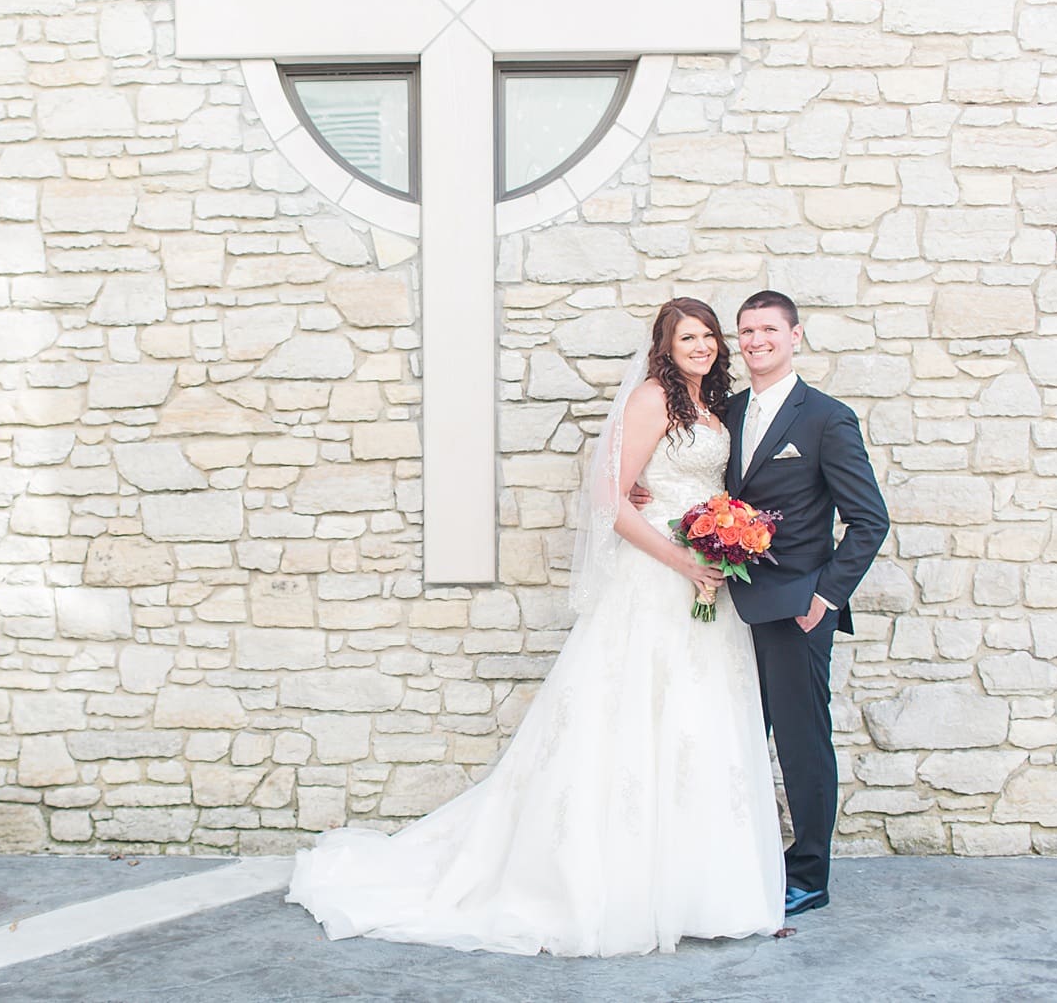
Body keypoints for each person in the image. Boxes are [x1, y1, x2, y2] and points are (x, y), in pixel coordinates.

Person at [286, 299, 785, 957]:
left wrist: (716, 548)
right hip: (658, 577)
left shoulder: (714, 410)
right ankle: (612, 883)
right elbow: (609, 500)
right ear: (665, 348)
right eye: (687, 337)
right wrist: (683, 560)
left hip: (703, 586)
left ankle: (696, 886)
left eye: (709, 336)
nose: (702, 345)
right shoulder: (650, 398)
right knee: (635, 719)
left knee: (695, 725)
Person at [716, 290, 889, 916]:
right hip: (725, 607)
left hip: (796, 608)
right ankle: (741, 858)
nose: (755, 339)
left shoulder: (826, 418)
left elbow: (869, 520)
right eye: (746, 330)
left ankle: (809, 873)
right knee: (732, 737)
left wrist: (825, 597)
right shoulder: (725, 412)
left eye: (767, 328)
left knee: (801, 741)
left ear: (794, 336)